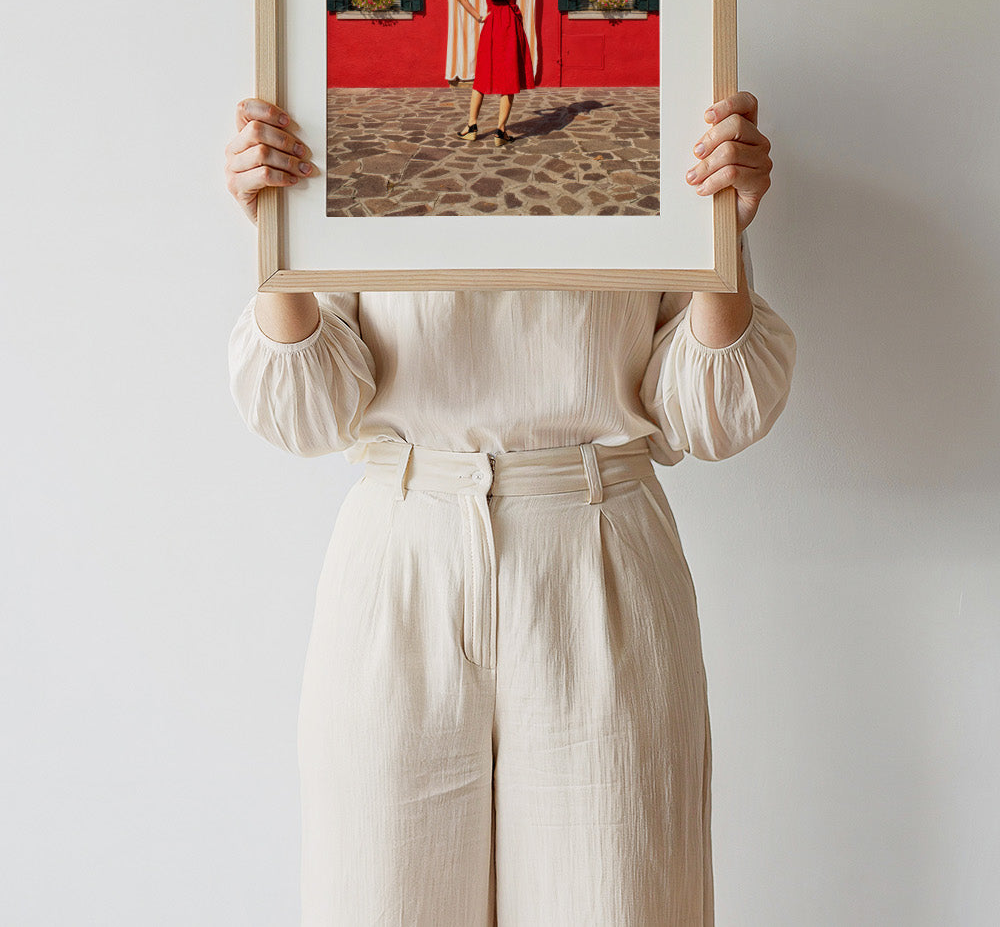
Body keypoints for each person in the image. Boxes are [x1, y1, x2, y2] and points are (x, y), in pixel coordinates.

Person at [225, 90, 795, 926]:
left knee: (617, 900)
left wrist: (723, 237)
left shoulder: (665, 111)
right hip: (401, 552)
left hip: (600, 540)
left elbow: (709, 414)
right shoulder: (351, 116)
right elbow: (309, 411)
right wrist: (278, 239)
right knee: (378, 901)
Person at [455, 0, 545, 146]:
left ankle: (472, 126)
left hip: (492, 22)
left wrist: (478, 16)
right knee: (509, 78)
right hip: (511, 25)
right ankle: (500, 132)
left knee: (483, 75)